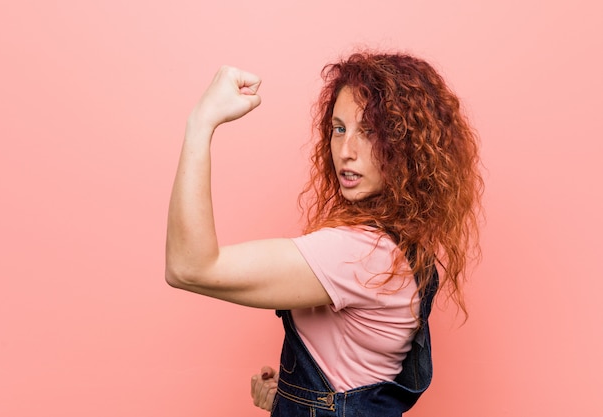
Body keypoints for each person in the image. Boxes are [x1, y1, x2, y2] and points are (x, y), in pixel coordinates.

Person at [165, 51, 483, 416]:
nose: (346, 152)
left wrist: (200, 122)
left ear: (406, 146)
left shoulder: (359, 253)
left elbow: (189, 267)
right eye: (339, 128)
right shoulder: (399, 250)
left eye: (370, 131)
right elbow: (353, 381)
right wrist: (292, 399)